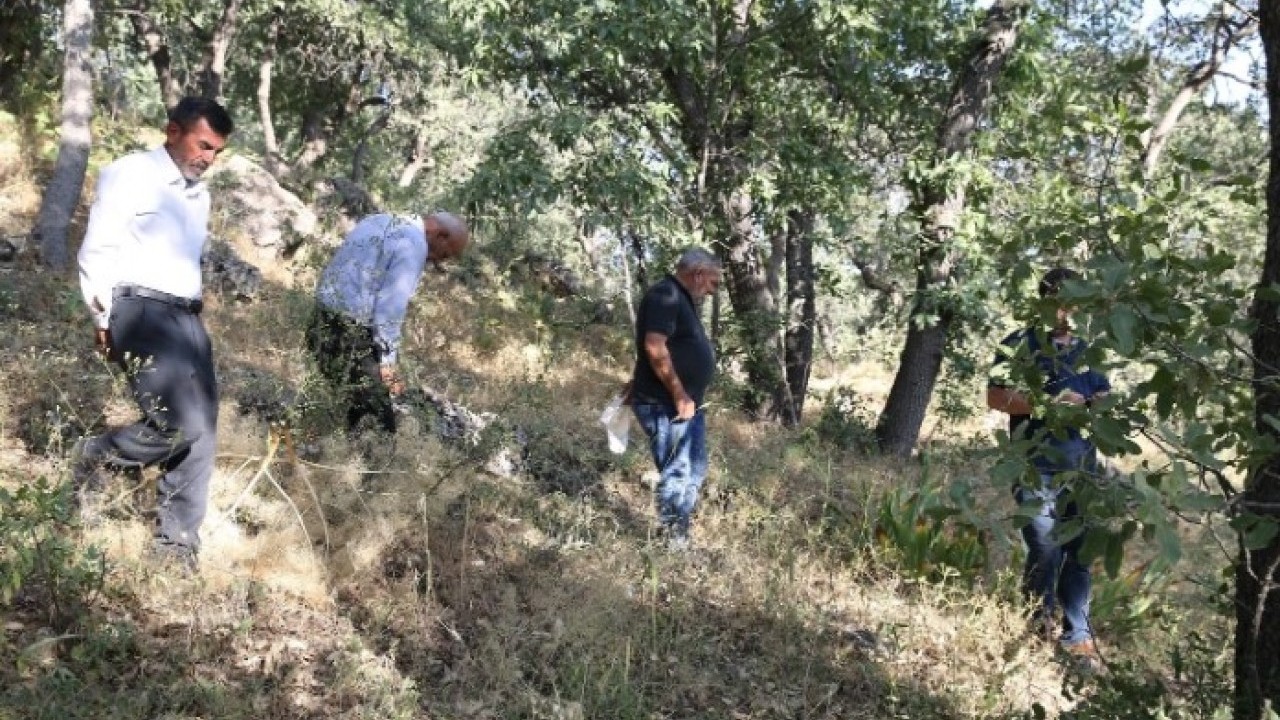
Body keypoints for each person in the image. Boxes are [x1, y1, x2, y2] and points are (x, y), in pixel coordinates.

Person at [71, 96, 235, 571]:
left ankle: (175, 550)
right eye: (203, 145)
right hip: (139, 310)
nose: (208, 158)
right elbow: (98, 247)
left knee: (202, 434)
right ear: (173, 130)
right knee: (177, 424)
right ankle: (98, 456)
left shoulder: (197, 194)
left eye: (216, 152)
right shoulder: (130, 173)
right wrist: (101, 317)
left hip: (187, 318)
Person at [987, 266, 1110, 664]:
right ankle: (1037, 622)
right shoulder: (1017, 343)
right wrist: (1043, 405)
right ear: (1046, 301)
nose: (1068, 310)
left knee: (1079, 549)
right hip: (1033, 464)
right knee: (1043, 544)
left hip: (1081, 466)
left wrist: (1088, 403)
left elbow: (1105, 399)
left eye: (1075, 302)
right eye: (1062, 301)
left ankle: (1078, 635)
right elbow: (994, 397)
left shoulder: (1088, 350)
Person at [307, 211, 469, 433]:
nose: (439, 261)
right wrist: (387, 364)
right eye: (445, 254)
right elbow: (390, 308)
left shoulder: (380, 219)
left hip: (319, 320)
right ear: (441, 234)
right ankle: (358, 465)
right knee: (378, 429)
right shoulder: (414, 243)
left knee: (355, 411)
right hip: (347, 332)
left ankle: (336, 457)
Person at [628, 248, 722, 549]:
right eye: (712, 283)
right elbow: (654, 346)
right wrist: (679, 392)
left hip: (684, 403)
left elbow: (671, 349)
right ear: (697, 274)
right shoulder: (664, 295)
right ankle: (673, 542)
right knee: (678, 470)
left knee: (695, 469)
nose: (711, 291)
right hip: (666, 404)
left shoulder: (680, 298)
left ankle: (678, 533)